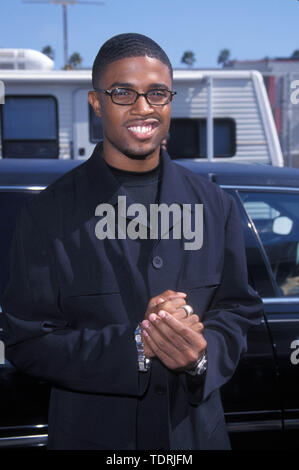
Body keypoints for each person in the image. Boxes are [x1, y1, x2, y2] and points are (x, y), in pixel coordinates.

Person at [2, 33, 263, 451]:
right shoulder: (47, 214)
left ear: (171, 102)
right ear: (96, 102)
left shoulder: (217, 206)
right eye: (123, 92)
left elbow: (237, 310)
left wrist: (199, 355)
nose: (143, 107)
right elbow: (27, 340)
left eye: (157, 93)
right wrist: (138, 347)